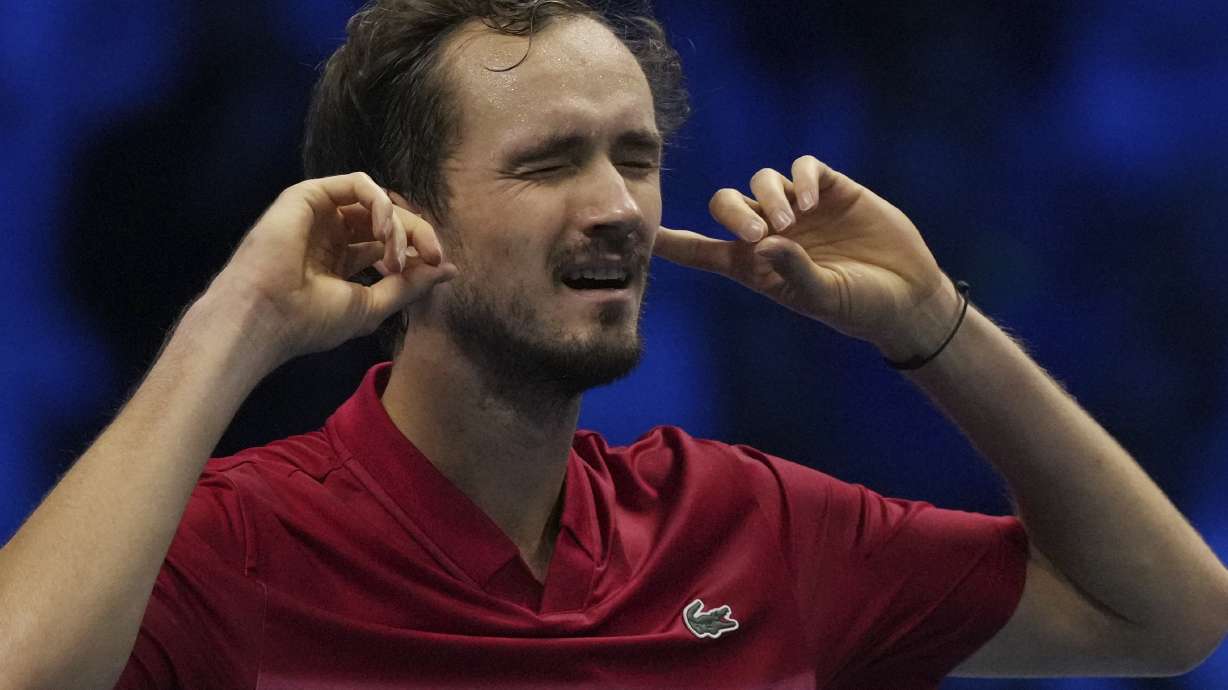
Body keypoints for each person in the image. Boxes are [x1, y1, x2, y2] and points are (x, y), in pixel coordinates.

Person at [2, 1, 1227, 688]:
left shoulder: (749, 526)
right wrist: (237, 319)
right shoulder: (236, 545)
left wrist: (933, 326)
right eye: (548, 162)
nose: (618, 205)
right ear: (394, 217)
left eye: (634, 158)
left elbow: (1166, 616)